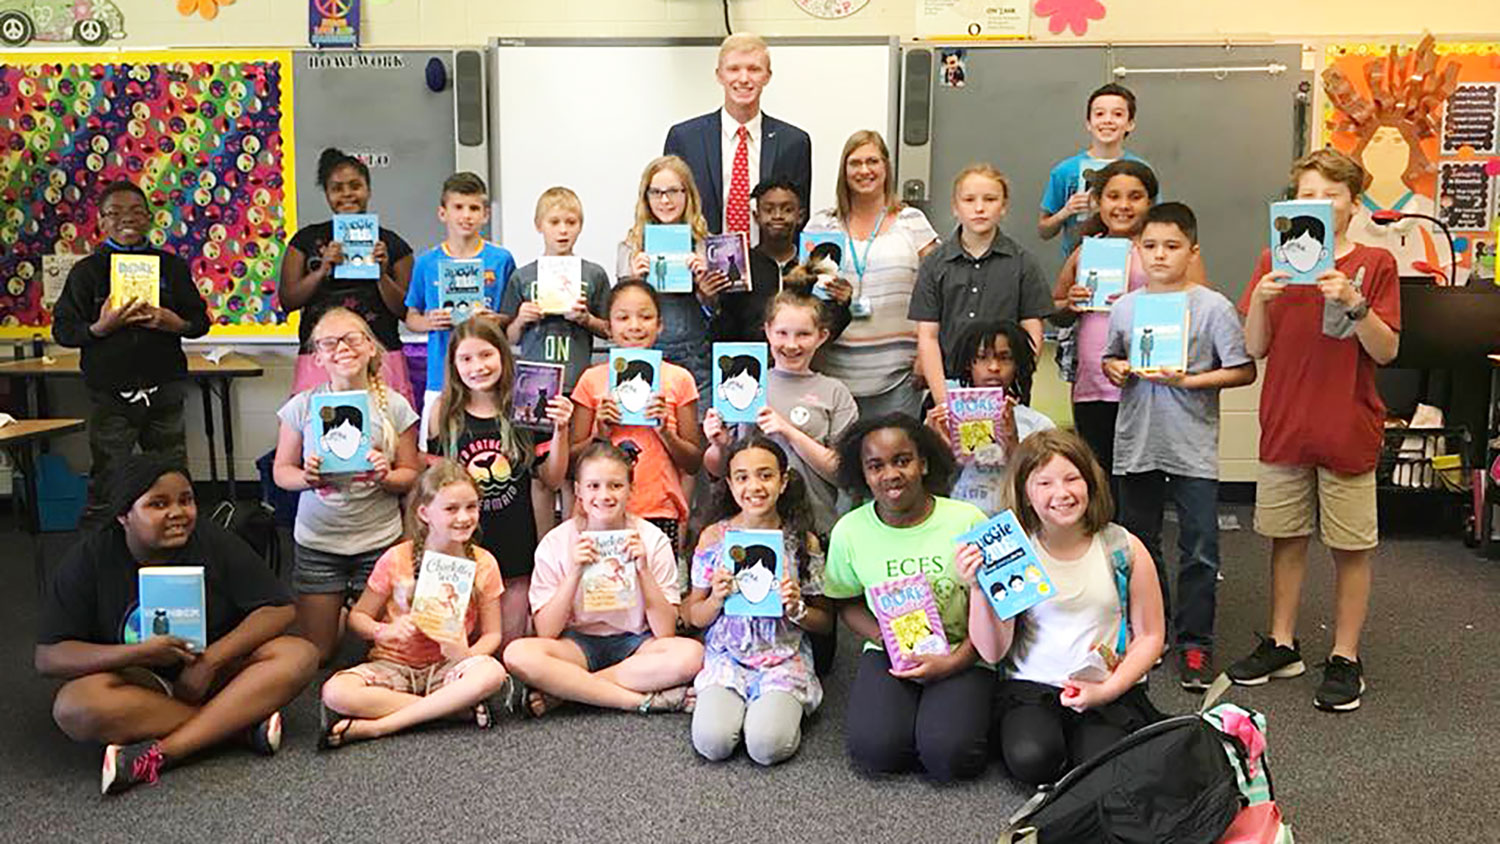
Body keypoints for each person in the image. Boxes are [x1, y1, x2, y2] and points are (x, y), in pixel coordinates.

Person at [1229, 149, 1400, 713]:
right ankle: (1283, 643)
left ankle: (1346, 655)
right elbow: (1255, 347)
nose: (1319, 204)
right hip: (1285, 422)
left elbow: (1387, 349)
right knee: (1286, 538)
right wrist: (1259, 298)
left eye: (1331, 194)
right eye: (1307, 194)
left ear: (1353, 202)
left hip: (1347, 425)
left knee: (1351, 546)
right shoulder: (1272, 260)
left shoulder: (1373, 264)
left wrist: (1353, 303)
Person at [36, 454, 317, 795]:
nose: (178, 513)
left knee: (298, 654)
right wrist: (134, 654)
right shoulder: (90, 559)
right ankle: (237, 726)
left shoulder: (212, 540)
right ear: (124, 514)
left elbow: (279, 608)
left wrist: (212, 660)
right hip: (140, 683)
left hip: (215, 673)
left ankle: (162, 754)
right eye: (158, 504)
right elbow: (50, 657)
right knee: (73, 708)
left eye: (186, 500)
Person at [1100, 202, 1255, 690]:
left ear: (1192, 251)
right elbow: (1111, 358)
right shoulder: (1125, 306)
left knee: (1200, 548)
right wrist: (1115, 368)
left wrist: (1191, 381)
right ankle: (1154, 631)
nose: (1160, 256)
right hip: (1138, 440)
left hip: (1192, 446)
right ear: (1137, 251)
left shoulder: (1213, 306)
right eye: (1150, 246)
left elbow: (1244, 370)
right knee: (1139, 544)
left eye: (1171, 246)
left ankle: (1195, 643)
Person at [967, 429, 1165, 786]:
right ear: (1026, 494)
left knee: (1102, 766)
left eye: (1072, 478)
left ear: (1090, 484)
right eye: (1044, 483)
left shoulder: (1122, 546)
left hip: (1104, 682)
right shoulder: (1014, 552)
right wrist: (979, 589)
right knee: (1032, 759)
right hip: (1031, 686)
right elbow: (992, 651)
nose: (1062, 493)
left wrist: (1107, 690)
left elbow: (1151, 635)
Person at [823, 414, 991, 782]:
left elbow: (998, 609)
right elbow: (845, 601)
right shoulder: (849, 531)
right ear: (863, 474)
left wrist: (954, 663)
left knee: (950, 756)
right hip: (891, 652)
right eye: (876, 465)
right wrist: (883, 638)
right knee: (875, 752)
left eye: (902, 460)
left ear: (924, 462)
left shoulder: (967, 520)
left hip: (966, 648)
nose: (891, 474)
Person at [501, 441, 704, 716]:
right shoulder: (556, 542)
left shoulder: (652, 539)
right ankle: (638, 701)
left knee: (692, 655)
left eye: (616, 485)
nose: (604, 495)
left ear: (631, 490)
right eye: (594, 486)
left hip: (636, 643)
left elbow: (665, 631)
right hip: (576, 644)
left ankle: (568, 692)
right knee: (518, 654)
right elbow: (547, 631)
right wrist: (574, 572)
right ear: (579, 492)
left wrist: (643, 570)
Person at [318, 461, 509, 748]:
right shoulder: (397, 558)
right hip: (394, 664)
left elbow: (493, 634)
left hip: (448, 667)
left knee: (492, 673)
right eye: (451, 509)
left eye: (472, 507)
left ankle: (382, 725)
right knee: (336, 692)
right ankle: (450, 711)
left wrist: (466, 653)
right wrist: (384, 631)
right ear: (424, 513)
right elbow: (358, 617)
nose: (464, 517)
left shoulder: (484, 563)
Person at [52, 180, 211, 524]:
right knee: (109, 472)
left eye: (137, 211)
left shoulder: (171, 267)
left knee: (171, 470)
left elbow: (200, 322)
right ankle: (105, 544)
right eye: (116, 212)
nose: (128, 219)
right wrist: (100, 328)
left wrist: (175, 324)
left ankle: (177, 541)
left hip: (164, 388)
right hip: (111, 392)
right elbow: (63, 330)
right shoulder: (87, 271)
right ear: (101, 221)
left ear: (150, 218)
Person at [272, 307, 422, 666]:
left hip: (379, 543)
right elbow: (281, 472)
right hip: (318, 543)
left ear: (371, 348)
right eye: (329, 342)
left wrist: (386, 475)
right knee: (319, 655)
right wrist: (306, 478)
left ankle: (352, 612)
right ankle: (340, 614)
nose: (343, 347)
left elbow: (410, 475)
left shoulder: (395, 406)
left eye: (353, 338)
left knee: (390, 650)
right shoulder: (302, 407)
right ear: (318, 357)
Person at [682, 435, 832, 765]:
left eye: (766, 475)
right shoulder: (713, 536)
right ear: (731, 485)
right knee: (713, 743)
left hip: (783, 656)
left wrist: (798, 609)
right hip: (728, 656)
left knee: (766, 747)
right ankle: (742, 706)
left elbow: (826, 621)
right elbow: (693, 614)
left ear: (783, 481)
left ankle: (771, 709)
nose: (754, 486)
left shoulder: (802, 540)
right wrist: (717, 600)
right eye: (742, 477)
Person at [429, 318, 573, 647]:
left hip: (516, 545)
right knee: (460, 641)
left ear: (503, 356)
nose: (477, 366)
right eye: (465, 359)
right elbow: (434, 486)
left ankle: (504, 694)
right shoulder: (444, 412)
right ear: (453, 365)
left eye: (486, 355)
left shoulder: (525, 407)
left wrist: (561, 431)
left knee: (508, 644)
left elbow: (551, 479)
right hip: (464, 547)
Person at [498, 186, 611, 535]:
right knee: (539, 474)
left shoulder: (593, 274)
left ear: (581, 226)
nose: (563, 230)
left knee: (572, 472)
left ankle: (571, 549)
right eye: (555, 222)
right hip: (533, 390)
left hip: (577, 387)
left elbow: (610, 329)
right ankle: (543, 549)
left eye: (571, 222)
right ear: (538, 225)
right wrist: (521, 318)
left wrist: (586, 319)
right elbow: (508, 338)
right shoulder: (522, 276)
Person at [807, 131, 940, 420]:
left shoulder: (912, 222)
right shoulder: (823, 224)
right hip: (832, 374)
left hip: (899, 376)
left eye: (873, 161)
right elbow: (804, 298)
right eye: (855, 163)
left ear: (886, 167)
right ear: (844, 170)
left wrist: (927, 355)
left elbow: (938, 292)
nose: (864, 170)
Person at [704, 292, 857, 541]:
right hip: (750, 528)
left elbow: (843, 473)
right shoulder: (741, 387)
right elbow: (719, 470)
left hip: (816, 526)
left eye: (803, 334)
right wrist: (718, 444)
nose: (792, 344)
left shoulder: (835, 392)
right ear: (767, 332)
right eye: (782, 333)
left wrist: (787, 431)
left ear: (822, 336)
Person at [1049, 160, 1161, 491]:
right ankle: (1103, 541)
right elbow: (1055, 309)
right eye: (1113, 196)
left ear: (1150, 202)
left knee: (1142, 482)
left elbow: (1194, 302)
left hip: (1148, 382)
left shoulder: (1164, 249)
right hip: (1094, 382)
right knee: (1099, 476)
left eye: (1135, 197)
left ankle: (1140, 544)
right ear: (1098, 201)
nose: (1123, 205)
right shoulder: (1086, 250)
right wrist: (1069, 301)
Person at [570, 279, 703, 550]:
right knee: (603, 590)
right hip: (599, 509)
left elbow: (692, 463)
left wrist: (666, 432)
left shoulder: (679, 379)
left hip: (659, 508)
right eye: (623, 318)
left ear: (660, 324)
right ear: (608, 327)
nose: (634, 326)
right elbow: (571, 461)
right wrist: (599, 435)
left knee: (656, 588)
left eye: (645, 317)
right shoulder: (591, 380)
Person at [278, 147, 415, 403]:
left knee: (388, 432)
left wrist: (380, 274)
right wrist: (322, 270)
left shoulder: (392, 244)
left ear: (368, 190)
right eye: (337, 188)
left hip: (381, 354)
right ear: (328, 194)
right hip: (321, 356)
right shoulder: (305, 240)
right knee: (319, 432)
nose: (347, 194)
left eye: (355, 186)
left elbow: (406, 311)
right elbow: (288, 300)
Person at [910, 164, 1052, 406]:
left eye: (990, 199)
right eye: (969, 199)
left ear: (1004, 207)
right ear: (955, 207)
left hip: (1005, 393)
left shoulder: (1023, 263)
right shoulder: (935, 264)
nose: (979, 208)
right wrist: (942, 399)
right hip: (949, 389)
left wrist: (1018, 381)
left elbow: (1031, 333)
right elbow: (928, 337)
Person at [403, 171, 517, 444]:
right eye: (458, 207)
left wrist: (495, 319)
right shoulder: (427, 262)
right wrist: (429, 322)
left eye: (474, 208)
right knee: (436, 450)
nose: (466, 215)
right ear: (443, 213)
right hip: (440, 376)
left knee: (488, 447)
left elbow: (511, 319)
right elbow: (411, 316)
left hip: (488, 376)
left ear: (486, 215)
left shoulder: (501, 259)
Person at [663, 33, 812, 236]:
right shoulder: (685, 139)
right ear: (719, 75)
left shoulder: (794, 143)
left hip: (770, 263)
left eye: (754, 69)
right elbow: (667, 212)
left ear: (767, 76)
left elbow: (799, 219)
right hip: (699, 262)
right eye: (733, 69)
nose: (744, 79)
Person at [926, 319, 1055, 516]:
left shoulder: (1038, 424)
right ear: (969, 363)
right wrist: (937, 444)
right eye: (982, 357)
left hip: (1016, 519)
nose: (994, 367)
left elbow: (1045, 481)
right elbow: (930, 482)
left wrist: (1012, 440)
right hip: (960, 518)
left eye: (1005, 358)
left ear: (1017, 364)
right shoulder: (946, 418)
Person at [708, 177, 854, 344]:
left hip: (801, 362)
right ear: (756, 216)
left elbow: (829, 329)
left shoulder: (812, 266)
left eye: (787, 210)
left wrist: (842, 304)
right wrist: (714, 302)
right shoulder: (743, 266)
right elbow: (725, 332)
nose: (777, 216)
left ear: (800, 216)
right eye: (769, 210)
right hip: (754, 364)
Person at [617, 155, 718, 394]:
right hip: (644, 353)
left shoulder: (706, 243)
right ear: (646, 197)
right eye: (656, 192)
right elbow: (618, 315)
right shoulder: (631, 246)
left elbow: (716, 312)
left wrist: (705, 289)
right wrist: (635, 281)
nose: (665, 200)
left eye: (673, 191)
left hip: (694, 355)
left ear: (688, 194)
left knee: (695, 427)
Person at [1037, 83, 1149, 261]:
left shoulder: (1141, 170)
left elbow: (1155, 224)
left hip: (1133, 263)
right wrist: (1065, 212)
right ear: (1088, 123)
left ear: (1130, 124)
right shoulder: (1065, 171)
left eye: (1118, 114)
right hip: (1078, 265)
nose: (1108, 120)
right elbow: (1044, 230)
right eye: (1099, 114)